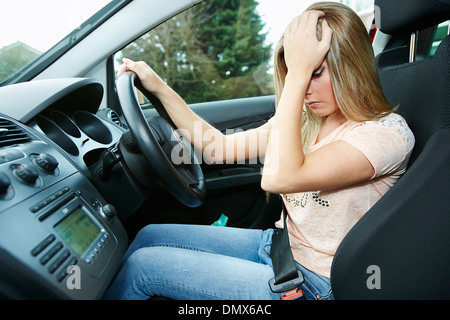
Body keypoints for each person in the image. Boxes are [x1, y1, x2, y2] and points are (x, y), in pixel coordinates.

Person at [104, 2, 414, 300]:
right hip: (280, 247)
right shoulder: (309, 121)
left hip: (317, 284)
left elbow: (280, 178)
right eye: (297, 75)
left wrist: (297, 71)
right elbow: (216, 147)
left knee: (142, 268)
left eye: (314, 73)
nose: (304, 90)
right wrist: (159, 88)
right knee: (148, 236)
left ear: (350, 65)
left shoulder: (384, 135)